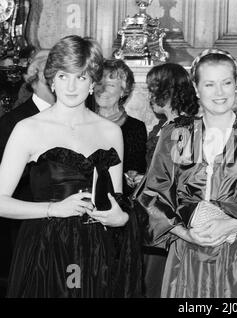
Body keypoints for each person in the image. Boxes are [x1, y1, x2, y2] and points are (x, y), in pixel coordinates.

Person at [135, 48, 237, 298]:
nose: (219, 92)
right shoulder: (177, 134)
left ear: (236, 86)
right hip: (186, 255)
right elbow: (151, 197)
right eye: (210, 84)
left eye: (226, 83)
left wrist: (230, 225)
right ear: (196, 89)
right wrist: (186, 233)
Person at [0, 35, 141, 297]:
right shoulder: (28, 128)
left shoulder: (111, 132)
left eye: (81, 76)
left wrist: (119, 217)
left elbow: (117, 201)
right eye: (64, 76)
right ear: (52, 79)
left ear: (92, 82)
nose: (72, 86)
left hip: (96, 251)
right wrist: (54, 209)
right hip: (45, 249)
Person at [139, 62, 199, 298]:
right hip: (153, 212)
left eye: (152, 87)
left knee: (158, 282)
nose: (149, 94)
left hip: (166, 219)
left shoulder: (183, 127)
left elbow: (177, 179)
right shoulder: (162, 126)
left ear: (167, 90)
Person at [0, 49, 55, 296]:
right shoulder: (14, 121)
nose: (56, 82)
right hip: (24, 219)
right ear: (34, 78)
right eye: (50, 75)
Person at [92, 59, 147, 197]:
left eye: (110, 85)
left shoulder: (136, 128)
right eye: (99, 83)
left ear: (124, 91)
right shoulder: (82, 123)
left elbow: (136, 172)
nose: (102, 89)